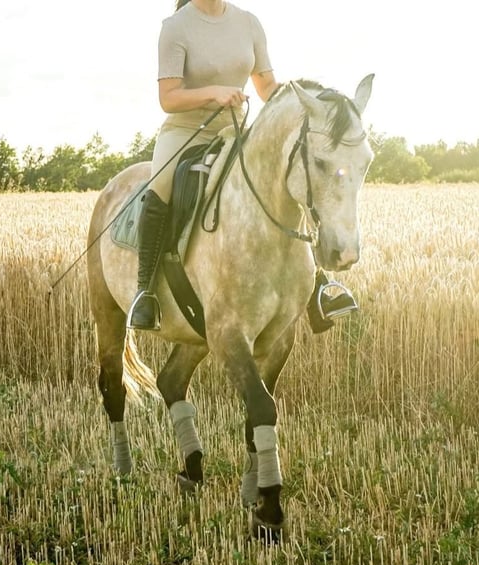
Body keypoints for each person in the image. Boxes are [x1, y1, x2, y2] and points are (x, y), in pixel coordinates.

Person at [128, 0, 357, 334]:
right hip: (185, 132)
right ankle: (145, 292)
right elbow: (169, 98)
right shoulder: (175, 27)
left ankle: (319, 287)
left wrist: (307, 103)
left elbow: (267, 87)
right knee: (160, 189)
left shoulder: (249, 23)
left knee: (290, 180)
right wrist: (214, 94)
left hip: (236, 130)